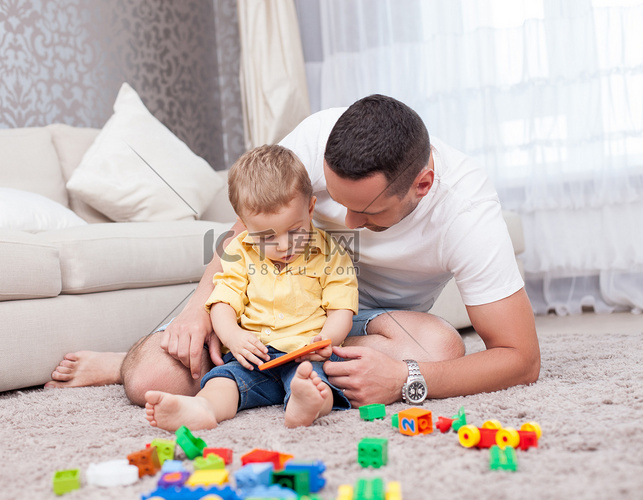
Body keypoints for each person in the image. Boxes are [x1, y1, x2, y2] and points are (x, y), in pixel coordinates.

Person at [46, 94, 540, 408]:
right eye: (335, 201)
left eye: (367, 213)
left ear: (423, 184)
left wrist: (406, 380)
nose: (348, 225)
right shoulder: (318, 137)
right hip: (267, 304)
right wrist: (202, 308)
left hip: (360, 322)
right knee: (151, 380)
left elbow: (521, 359)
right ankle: (123, 364)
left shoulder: (468, 211)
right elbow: (246, 232)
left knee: (439, 350)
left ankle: (266, 375)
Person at [143, 144, 358, 430]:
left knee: (315, 383)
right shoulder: (240, 252)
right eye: (267, 237)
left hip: (304, 354)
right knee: (224, 380)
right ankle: (203, 408)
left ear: (310, 208)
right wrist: (233, 336)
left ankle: (305, 405)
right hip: (253, 356)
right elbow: (223, 303)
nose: (283, 246)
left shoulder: (332, 253)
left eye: (294, 231)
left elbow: (341, 309)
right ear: (244, 225)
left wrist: (325, 339)